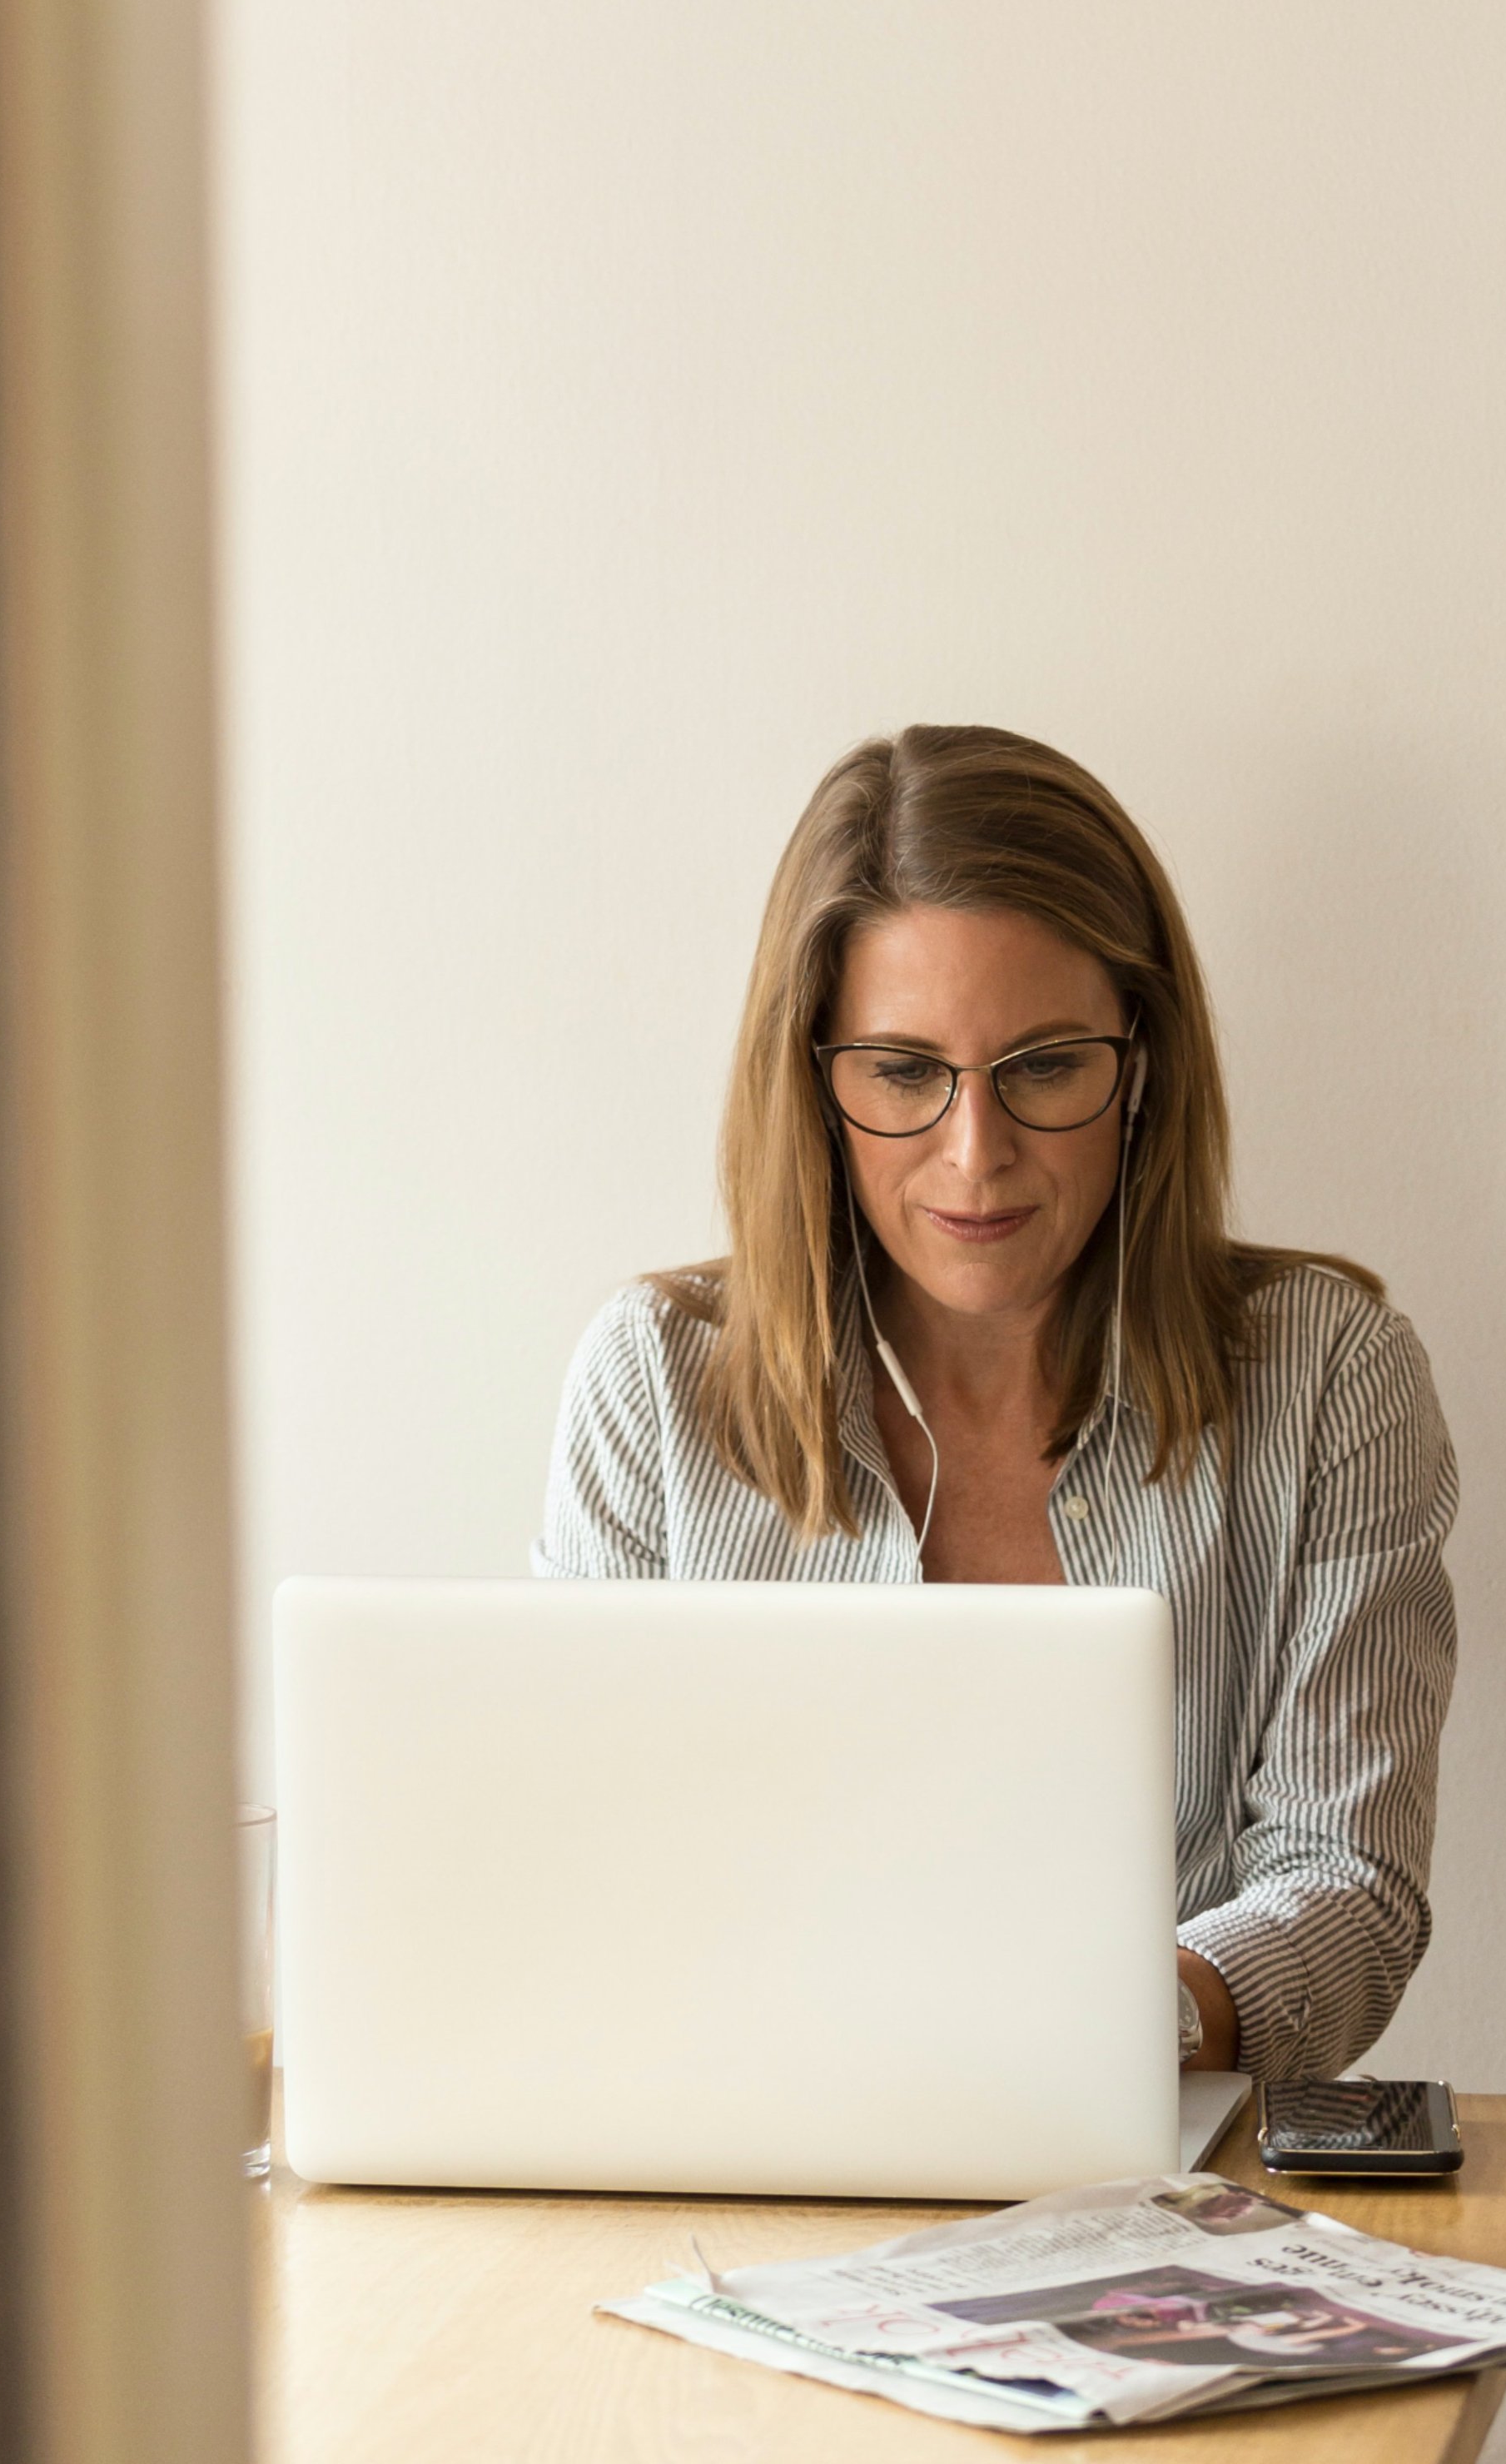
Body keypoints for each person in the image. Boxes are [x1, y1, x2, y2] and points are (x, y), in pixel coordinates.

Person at [532, 723, 1459, 2083]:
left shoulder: (1329, 1377)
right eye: (905, 1073)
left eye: (1043, 1067)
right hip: (741, 2157)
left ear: (1139, 1065)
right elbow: (579, 1877)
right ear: (814, 1081)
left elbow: (1350, 1888)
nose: (977, 1157)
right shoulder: (652, 1383)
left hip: (1162, 2181)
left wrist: (1100, 2031)